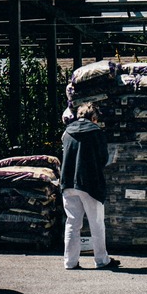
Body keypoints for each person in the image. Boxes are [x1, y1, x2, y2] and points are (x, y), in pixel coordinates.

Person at [60, 101, 119, 270]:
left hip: (68, 182)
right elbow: (103, 158)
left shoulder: (67, 132)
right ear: (93, 118)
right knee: (96, 222)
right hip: (90, 183)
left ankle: (70, 262)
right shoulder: (96, 132)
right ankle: (101, 260)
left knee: (72, 223)